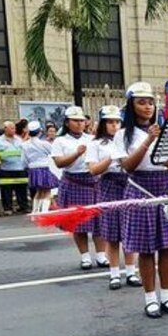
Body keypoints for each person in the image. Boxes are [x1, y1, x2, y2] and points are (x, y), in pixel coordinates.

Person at [113, 82, 168, 318]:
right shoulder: (123, 135)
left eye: (150, 102)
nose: (147, 107)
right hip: (140, 190)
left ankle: (167, 297)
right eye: (141, 102)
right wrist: (148, 142)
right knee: (146, 250)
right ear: (131, 105)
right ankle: (150, 299)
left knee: (167, 248)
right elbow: (127, 166)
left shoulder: (166, 131)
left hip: (164, 188)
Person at [87, 106, 141, 290]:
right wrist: (111, 157)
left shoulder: (127, 139)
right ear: (103, 124)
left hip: (129, 182)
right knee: (111, 233)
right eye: (110, 122)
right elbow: (93, 170)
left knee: (130, 230)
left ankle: (131, 272)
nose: (114, 125)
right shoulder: (95, 144)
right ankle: (114, 273)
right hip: (108, 184)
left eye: (117, 121)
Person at [52, 106, 108, 270]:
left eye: (81, 121)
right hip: (74, 181)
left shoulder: (92, 139)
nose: (79, 124)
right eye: (75, 121)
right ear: (67, 123)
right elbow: (59, 163)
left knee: (99, 221)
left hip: (93, 180)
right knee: (78, 223)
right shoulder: (60, 141)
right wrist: (77, 153)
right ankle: (85, 256)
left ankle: (101, 255)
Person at [21, 121, 58, 213]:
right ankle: (44, 211)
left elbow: (24, 160)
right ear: (40, 132)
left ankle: (35, 210)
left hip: (32, 168)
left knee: (39, 191)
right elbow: (53, 153)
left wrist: (26, 167)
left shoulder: (24, 145)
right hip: (44, 167)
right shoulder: (44, 144)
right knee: (47, 191)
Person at [0, 121, 30, 214]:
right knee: (6, 190)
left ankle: (23, 206)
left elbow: (23, 150)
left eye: (14, 128)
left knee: (21, 189)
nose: (14, 130)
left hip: (19, 168)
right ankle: (8, 208)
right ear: (5, 129)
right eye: (11, 128)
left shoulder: (18, 139)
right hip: (6, 168)